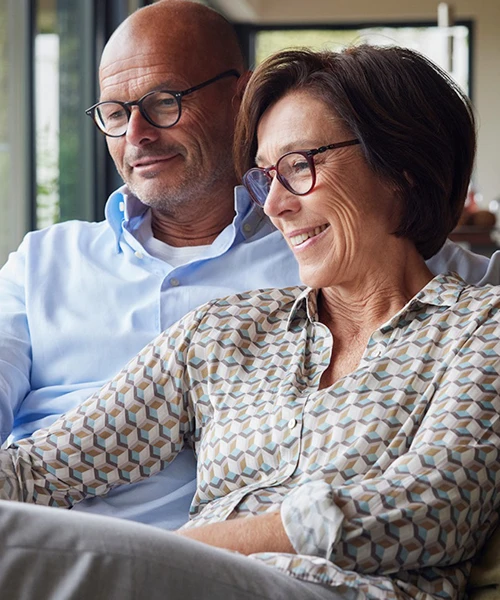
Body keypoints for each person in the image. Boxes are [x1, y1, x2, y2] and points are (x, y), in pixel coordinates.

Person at [2, 45, 499, 600]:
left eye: (300, 166)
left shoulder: (479, 330)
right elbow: (45, 468)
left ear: (402, 169)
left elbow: (433, 506)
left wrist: (186, 549)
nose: (275, 205)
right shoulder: (227, 331)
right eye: (267, 177)